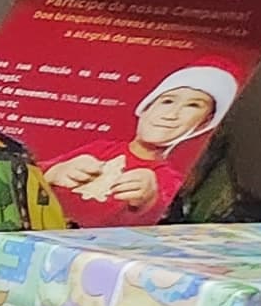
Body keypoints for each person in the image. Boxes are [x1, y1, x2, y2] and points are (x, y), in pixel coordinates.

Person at [41, 61, 237, 225]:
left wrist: (149, 201)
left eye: (193, 106)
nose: (171, 114)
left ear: (204, 122)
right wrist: (54, 172)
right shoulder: (101, 147)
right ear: (146, 108)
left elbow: (155, 219)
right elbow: (31, 171)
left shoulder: (168, 179)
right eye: (167, 101)